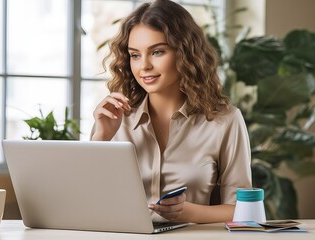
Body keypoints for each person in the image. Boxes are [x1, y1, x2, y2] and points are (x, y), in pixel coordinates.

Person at [91, 0, 251, 224]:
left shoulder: (224, 121)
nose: (144, 65)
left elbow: (243, 210)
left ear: (185, 53)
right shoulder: (113, 120)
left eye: (157, 52)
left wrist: (188, 212)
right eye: (135, 55)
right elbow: (87, 201)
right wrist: (101, 138)